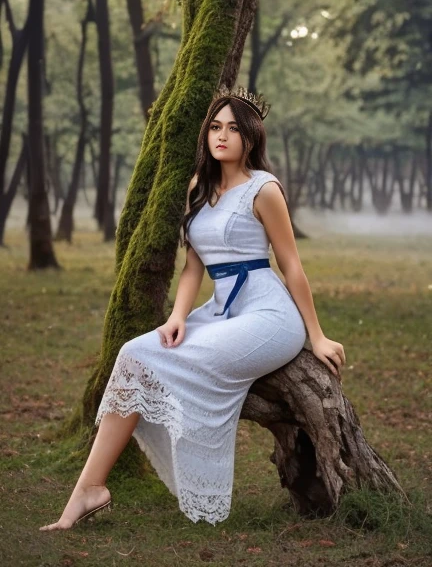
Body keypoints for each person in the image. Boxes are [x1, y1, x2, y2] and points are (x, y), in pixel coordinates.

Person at [40, 86, 345, 531]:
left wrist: (316, 334)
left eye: (233, 128)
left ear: (252, 136)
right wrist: (178, 315)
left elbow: (291, 266)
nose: (222, 136)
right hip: (219, 308)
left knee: (186, 364)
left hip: (269, 315)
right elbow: (192, 267)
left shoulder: (264, 189)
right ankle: (89, 490)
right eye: (215, 127)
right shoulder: (198, 187)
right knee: (133, 354)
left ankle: (198, 467)